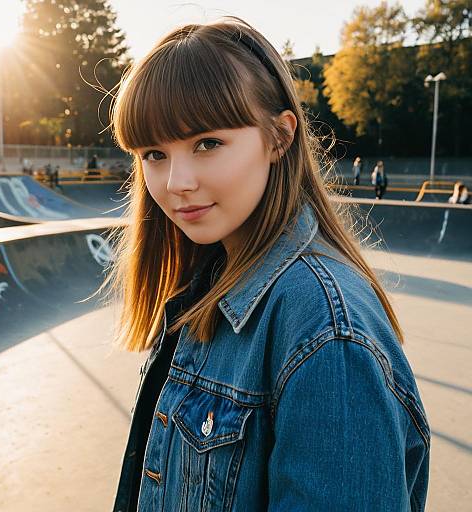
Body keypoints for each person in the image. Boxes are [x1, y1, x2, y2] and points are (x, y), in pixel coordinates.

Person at [105, 17, 430, 512]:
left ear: (278, 138)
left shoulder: (324, 329)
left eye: (207, 143)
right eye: (154, 153)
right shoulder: (213, 278)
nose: (176, 181)